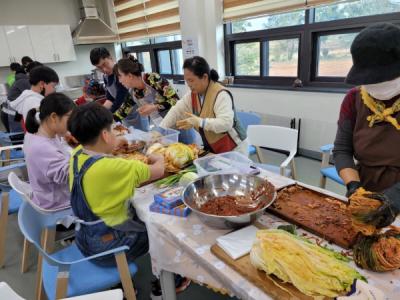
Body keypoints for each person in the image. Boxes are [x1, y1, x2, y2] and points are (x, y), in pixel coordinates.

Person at [67, 102, 164, 265]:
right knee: (161, 233)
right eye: (113, 130)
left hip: (85, 237)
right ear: (105, 135)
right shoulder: (114, 167)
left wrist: (117, 141)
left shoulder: (77, 154)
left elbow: (99, 151)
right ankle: (173, 280)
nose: (116, 134)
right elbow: (159, 170)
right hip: (109, 246)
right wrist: (157, 156)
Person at [333, 23, 400, 228]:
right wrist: (354, 187)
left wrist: (394, 198)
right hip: (366, 185)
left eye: (383, 79)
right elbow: (342, 149)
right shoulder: (354, 99)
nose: (375, 86)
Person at [160, 56, 247, 154]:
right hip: (213, 148)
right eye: (186, 80)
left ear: (205, 77)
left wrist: (199, 122)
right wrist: (160, 130)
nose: (188, 84)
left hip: (234, 148)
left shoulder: (221, 94)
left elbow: (226, 124)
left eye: (191, 80)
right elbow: (176, 110)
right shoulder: (192, 94)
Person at [23, 93, 75, 210]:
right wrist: (87, 148)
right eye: (70, 118)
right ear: (54, 117)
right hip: (60, 208)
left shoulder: (39, 134)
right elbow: (68, 175)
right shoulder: (41, 147)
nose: (72, 123)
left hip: (52, 197)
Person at [114, 56, 179, 131]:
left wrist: (154, 107)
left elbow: (176, 100)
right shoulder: (133, 91)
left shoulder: (152, 78)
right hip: (162, 126)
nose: (119, 81)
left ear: (129, 75)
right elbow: (122, 112)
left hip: (178, 123)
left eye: (120, 76)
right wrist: (107, 123)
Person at [89, 47, 128, 113]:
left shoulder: (121, 72)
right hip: (122, 113)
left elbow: (120, 99)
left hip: (136, 113)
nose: (104, 69)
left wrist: (108, 114)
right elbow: (110, 98)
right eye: (99, 68)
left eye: (105, 64)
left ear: (110, 58)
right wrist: (101, 111)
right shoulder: (105, 77)